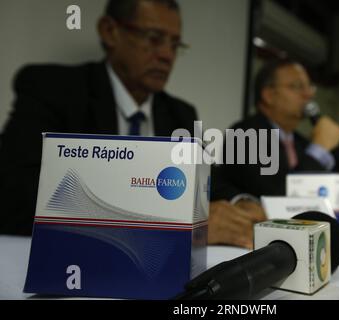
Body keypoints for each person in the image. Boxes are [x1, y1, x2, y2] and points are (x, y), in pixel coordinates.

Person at [0, 0, 264, 248]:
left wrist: (240, 202)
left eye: (174, 45)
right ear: (110, 31)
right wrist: (177, 223)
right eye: (154, 38)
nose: (166, 55)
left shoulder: (179, 113)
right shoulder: (52, 89)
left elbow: (207, 179)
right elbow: (17, 195)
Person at [212, 58, 339, 201]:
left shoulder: (302, 143)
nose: (308, 95)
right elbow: (275, 198)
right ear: (269, 95)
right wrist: (318, 149)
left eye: (310, 86)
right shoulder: (244, 135)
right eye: (297, 86)